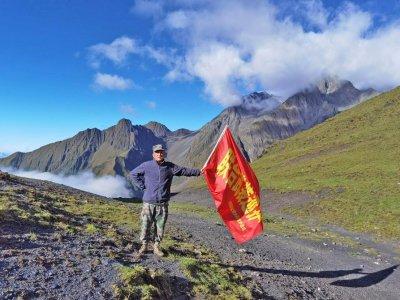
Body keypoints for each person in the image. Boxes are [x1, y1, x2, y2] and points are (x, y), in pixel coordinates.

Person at [130, 144, 202, 258]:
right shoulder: (146, 165)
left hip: (162, 204)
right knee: (145, 225)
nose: (159, 154)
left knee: (160, 227)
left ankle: (156, 247)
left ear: (164, 153)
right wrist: (143, 187)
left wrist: (198, 172)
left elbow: (184, 171)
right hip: (148, 203)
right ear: (153, 154)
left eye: (161, 152)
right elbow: (133, 174)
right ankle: (144, 245)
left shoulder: (170, 167)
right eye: (157, 152)